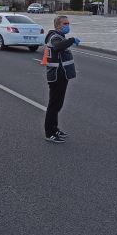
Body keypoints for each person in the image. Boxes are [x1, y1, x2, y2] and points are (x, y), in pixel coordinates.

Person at [43, 16, 79, 144]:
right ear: (58, 25)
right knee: (54, 105)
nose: (67, 25)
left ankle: (55, 129)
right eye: (65, 23)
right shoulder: (54, 37)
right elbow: (58, 46)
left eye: (68, 23)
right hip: (57, 76)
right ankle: (50, 133)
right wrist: (72, 40)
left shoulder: (59, 36)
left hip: (62, 75)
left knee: (58, 105)